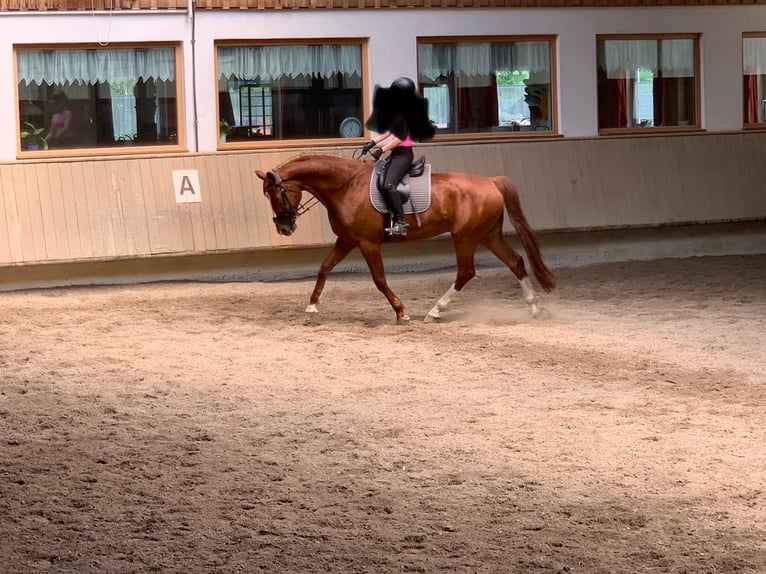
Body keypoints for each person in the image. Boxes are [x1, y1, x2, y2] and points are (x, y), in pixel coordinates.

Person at [362, 77, 435, 236]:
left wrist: (381, 150)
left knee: (389, 185)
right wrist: (372, 142)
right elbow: (389, 132)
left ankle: (401, 222)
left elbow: (399, 139)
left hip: (403, 155)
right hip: (395, 153)